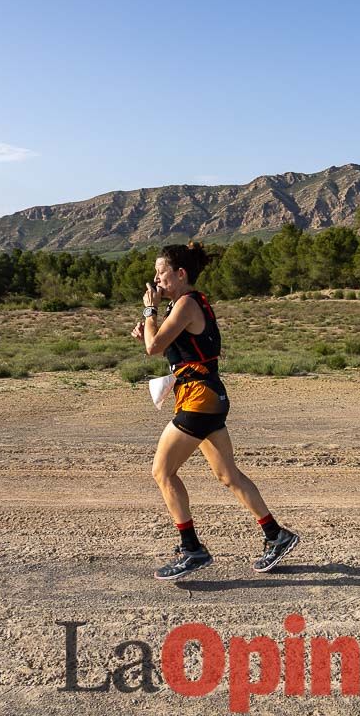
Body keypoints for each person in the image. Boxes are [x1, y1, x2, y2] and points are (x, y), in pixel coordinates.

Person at [131, 242, 299, 581]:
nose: (155, 280)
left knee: (162, 472)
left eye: (161, 273)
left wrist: (149, 314)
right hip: (208, 397)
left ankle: (191, 548)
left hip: (199, 400)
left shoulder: (185, 304)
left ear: (180, 274)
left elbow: (154, 347)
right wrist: (150, 328)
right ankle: (275, 535)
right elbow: (167, 346)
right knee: (228, 476)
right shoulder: (190, 303)